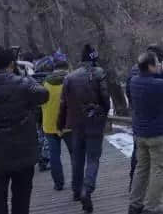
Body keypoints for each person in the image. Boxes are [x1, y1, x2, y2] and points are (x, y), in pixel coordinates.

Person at [0, 46, 49, 214]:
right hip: (22, 153)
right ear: (11, 64)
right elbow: (44, 95)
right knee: (21, 201)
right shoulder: (23, 84)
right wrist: (26, 77)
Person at [57, 44, 110, 213]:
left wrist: (60, 123)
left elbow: (63, 103)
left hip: (76, 124)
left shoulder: (69, 77)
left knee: (77, 158)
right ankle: (87, 189)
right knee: (93, 158)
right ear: (94, 58)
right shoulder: (99, 73)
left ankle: (76, 190)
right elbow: (106, 100)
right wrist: (103, 112)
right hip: (94, 122)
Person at [129, 51, 163, 214]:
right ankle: (152, 208)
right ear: (151, 66)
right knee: (158, 170)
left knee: (141, 169)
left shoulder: (134, 81)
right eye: (157, 63)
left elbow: (158, 86)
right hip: (158, 136)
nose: (160, 65)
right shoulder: (158, 85)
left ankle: (135, 204)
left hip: (140, 135)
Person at [41, 52, 72, 191]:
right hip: (68, 123)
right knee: (75, 154)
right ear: (66, 68)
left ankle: (58, 183)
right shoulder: (70, 81)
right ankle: (78, 181)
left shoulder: (46, 82)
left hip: (49, 124)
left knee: (54, 156)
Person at [34, 55, 54, 172]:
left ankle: (40, 157)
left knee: (39, 134)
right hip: (47, 110)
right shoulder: (49, 79)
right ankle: (45, 158)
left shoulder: (31, 79)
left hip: (35, 112)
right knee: (47, 135)